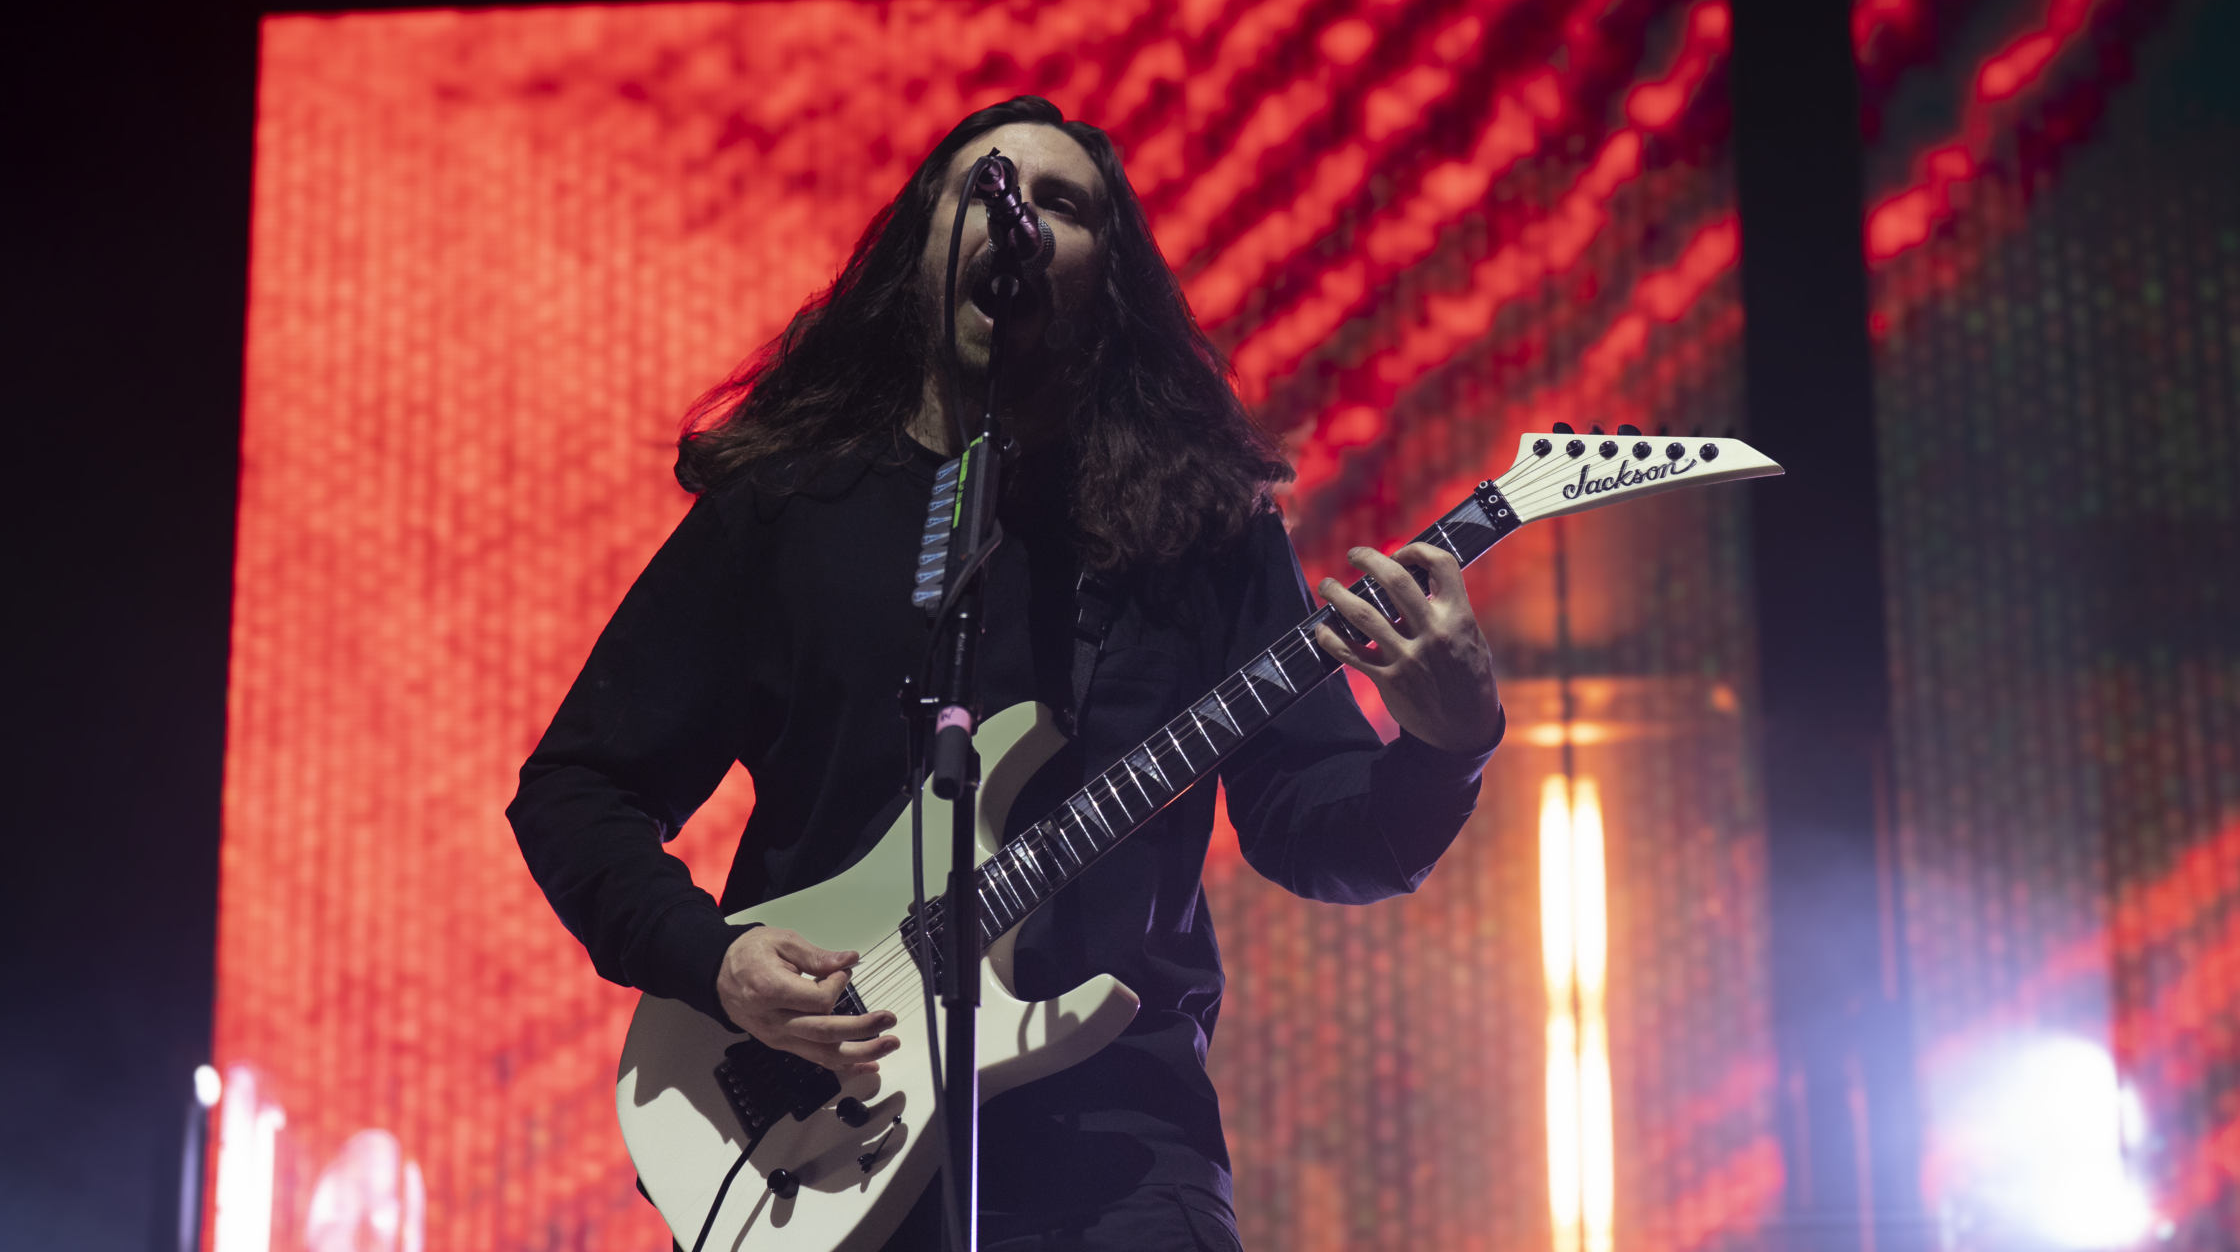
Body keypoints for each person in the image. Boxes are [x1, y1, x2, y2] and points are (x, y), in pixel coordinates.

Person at [508, 95, 1505, 1250]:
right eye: (982, 190)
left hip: (1118, 1148)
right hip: (822, 1123)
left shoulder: (1201, 525)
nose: (1013, 215)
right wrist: (713, 960)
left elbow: (1319, 832)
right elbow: (578, 788)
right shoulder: (788, 507)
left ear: (1105, 274)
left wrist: (1448, 745)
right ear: (921, 248)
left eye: (1059, 203)